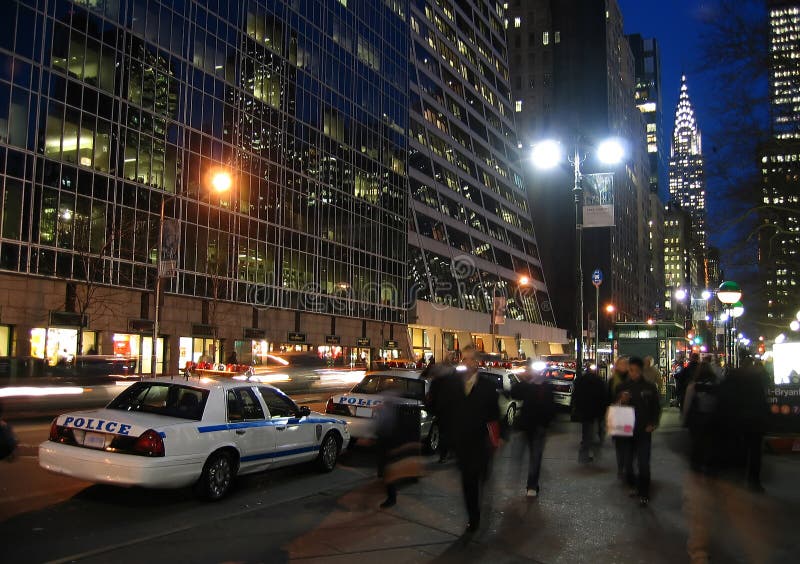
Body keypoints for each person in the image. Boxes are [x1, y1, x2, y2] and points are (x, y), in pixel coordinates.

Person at [428, 345, 500, 532]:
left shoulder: (487, 386)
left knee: (480, 478)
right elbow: (440, 406)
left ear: (477, 362)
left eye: (471, 359)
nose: (467, 363)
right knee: (468, 483)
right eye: (464, 359)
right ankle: (473, 517)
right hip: (462, 444)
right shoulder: (453, 384)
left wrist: (497, 439)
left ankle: (478, 504)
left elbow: (494, 415)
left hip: (481, 444)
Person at [718, 357, 769, 492]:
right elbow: (762, 401)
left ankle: (739, 478)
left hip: (738, 420)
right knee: (755, 452)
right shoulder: (755, 379)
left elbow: (723, 399)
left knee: (740, 449)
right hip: (754, 421)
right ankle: (754, 481)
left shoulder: (732, 379)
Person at [617, 356, 661, 506]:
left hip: (643, 430)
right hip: (627, 429)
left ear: (641, 371)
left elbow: (656, 407)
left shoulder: (649, 387)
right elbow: (613, 406)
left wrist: (653, 423)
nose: (632, 373)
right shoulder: (623, 387)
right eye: (630, 370)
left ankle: (644, 492)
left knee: (643, 463)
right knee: (628, 463)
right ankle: (632, 484)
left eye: (635, 370)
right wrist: (621, 401)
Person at [510, 366, 555, 496]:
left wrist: (547, 422)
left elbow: (550, 405)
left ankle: (532, 485)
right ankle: (525, 483)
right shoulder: (527, 385)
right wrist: (524, 381)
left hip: (538, 426)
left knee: (534, 457)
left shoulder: (545, 386)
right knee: (520, 455)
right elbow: (515, 393)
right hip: (526, 426)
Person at [572, 367, 608, 463]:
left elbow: (575, 396)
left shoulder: (579, 381)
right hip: (597, 411)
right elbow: (604, 397)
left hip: (585, 411)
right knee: (596, 431)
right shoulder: (600, 381)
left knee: (586, 434)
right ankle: (595, 451)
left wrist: (576, 408)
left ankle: (584, 455)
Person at [608, 356, 630, 479]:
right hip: (616, 414)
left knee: (627, 442)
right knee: (619, 443)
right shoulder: (612, 380)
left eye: (624, 364)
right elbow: (608, 398)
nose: (622, 366)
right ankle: (621, 467)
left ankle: (627, 467)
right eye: (620, 364)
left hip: (628, 415)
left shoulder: (631, 379)